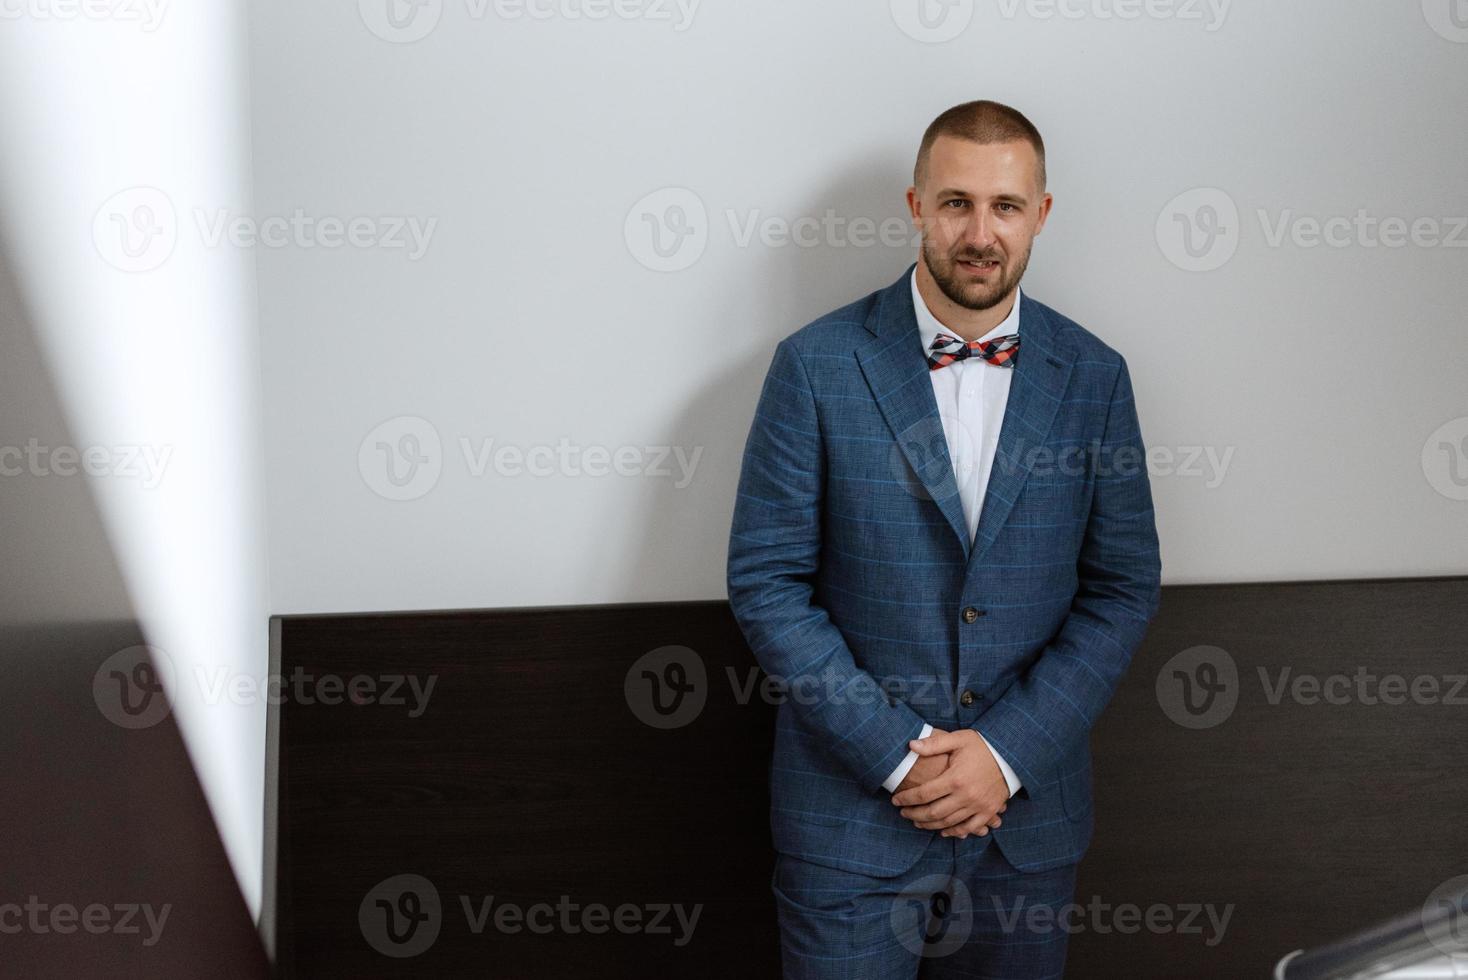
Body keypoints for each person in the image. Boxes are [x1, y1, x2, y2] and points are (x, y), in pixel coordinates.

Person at [725, 99, 1162, 977]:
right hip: (849, 825)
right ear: (915, 205)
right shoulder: (814, 365)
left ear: (1040, 216)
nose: (980, 231)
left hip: (1025, 827)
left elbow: (1122, 588)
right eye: (956, 202)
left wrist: (1005, 756)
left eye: (1005, 206)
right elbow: (766, 582)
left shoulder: (1097, 377)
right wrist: (897, 758)